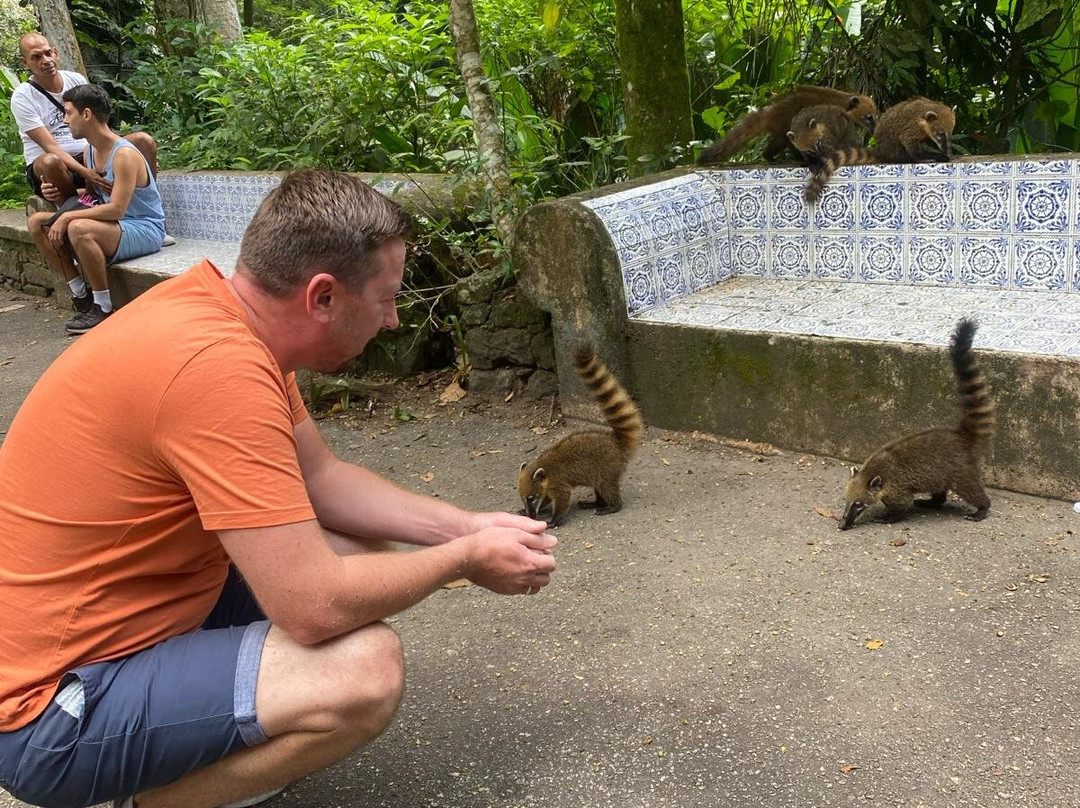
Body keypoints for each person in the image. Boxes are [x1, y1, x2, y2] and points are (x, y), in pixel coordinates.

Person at [0, 168, 557, 808]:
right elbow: (312, 606)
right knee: (363, 671)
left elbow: (322, 479)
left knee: (357, 550)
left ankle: (191, 739)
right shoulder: (215, 370)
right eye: (386, 297)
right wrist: (461, 561)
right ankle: (155, 802)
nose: (396, 319)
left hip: (125, 624)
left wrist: (468, 526)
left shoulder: (225, 316)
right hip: (48, 711)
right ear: (322, 297)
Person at [26, 83, 166, 335]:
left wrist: (68, 215)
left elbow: (117, 210)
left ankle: (103, 307)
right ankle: (81, 294)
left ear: (87, 114)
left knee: (79, 228)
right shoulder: (91, 149)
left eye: (69, 113)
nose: (65, 120)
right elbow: (95, 198)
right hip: (116, 227)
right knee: (37, 223)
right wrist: (63, 198)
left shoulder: (123, 154)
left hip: (144, 228)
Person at [11, 32, 158, 211]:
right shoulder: (23, 96)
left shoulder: (76, 80)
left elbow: (98, 125)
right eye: (36, 57)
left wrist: (123, 154)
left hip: (88, 154)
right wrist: (87, 173)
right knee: (49, 161)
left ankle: (148, 209)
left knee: (143, 141)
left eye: (48, 53)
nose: (46, 60)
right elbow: (52, 147)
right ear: (24, 62)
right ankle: (74, 212)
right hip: (53, 168)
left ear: (55, 52)